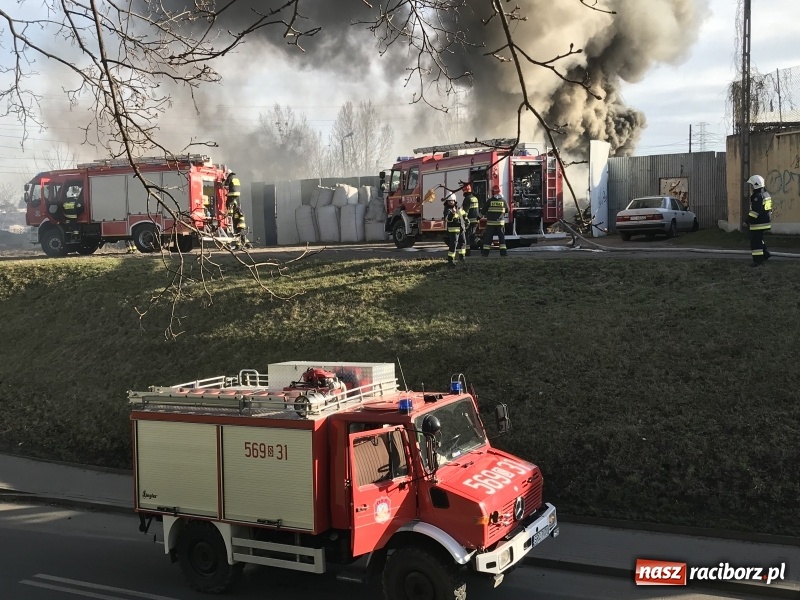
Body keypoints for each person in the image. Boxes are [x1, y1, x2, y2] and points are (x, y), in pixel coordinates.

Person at [746, 175, 772, 267]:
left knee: (755, 243)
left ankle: (758, 261)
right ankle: (765, 254)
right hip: (765, 222)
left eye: (752, 185)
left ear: (755, 185)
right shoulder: (766, 194)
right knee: (759, 240)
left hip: (758, 223)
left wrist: (748, 220)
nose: (751, 187)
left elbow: (755, 211)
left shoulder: (757, 196)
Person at [482, 184, 509, 257]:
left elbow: (483, 211)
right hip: (500, 224)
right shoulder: (504, 202)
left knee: (488, 239)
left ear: (493, 192)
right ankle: (503, 253)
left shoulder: (490, 201)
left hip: (491, 224)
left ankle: (485, 254)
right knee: (501, 239)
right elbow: (507, 210)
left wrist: (478, 217)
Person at [443, 193, 467, 266]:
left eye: (452, 201)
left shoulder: (458, 207)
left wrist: (466, 220)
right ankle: (450, 261)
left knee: (463, 243)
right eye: (449, 201)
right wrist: (452, 214)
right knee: (453, 245)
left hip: (461, 229)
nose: (450, 202)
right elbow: (448, 219)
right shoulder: (447, 209)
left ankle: (462, 258)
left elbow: (463, 214)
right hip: (453, 230)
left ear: (454, 200)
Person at [461, 183, 480, 255]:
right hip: (475, 220)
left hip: (469, 221)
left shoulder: (467, 199)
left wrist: (463, 219)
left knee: (467, 236)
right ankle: (480, 244)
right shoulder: (475, 198)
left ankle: (468, 251)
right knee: (473, 235)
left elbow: (465, 211)